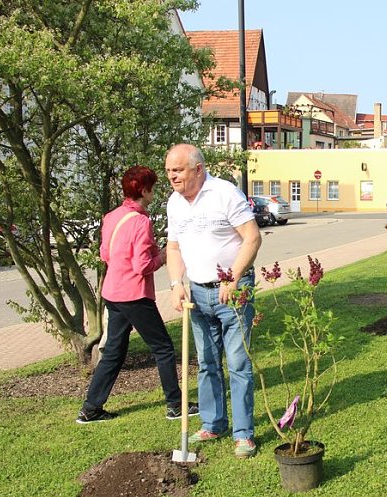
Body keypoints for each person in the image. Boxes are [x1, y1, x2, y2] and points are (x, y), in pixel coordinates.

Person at [77, 166, 199, 424]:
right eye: (153, 187)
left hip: (112, 291)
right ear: (144, 190)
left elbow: (104, 254)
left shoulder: (111, 216)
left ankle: (90, 408)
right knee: (163, 348)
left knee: (113, 351)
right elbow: (142, 266)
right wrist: (164, 256)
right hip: (134, 295)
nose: (155, 191)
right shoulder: (141, 222)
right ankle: (176, 405)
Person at [164, 144, 262, 459]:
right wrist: (176, 283)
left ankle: (243, 434)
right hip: (197, 293)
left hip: (232, 291)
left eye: (177, 170)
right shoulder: (174, 204)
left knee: (237, 362)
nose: (172, 177)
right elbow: (174, 248)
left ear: (198, 169)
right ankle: (213, 423)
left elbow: (252, 237)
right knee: (207, 362)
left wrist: (232, 278)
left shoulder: (225, 194)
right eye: (168, 171)